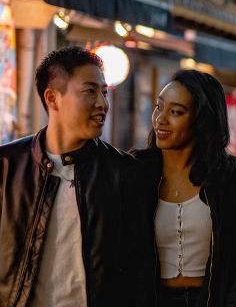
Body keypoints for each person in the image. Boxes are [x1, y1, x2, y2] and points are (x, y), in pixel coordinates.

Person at [0, 46, 150, 306]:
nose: (103, 104)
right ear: (52, 98)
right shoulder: (6, 166)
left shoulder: (123, 173)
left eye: (104, 92)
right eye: (89, 91)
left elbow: (138, 269)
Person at [132, 69, 236, 307]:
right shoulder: (136, 171)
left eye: (176, 112)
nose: (161, 119)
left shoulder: (232, 175)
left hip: (212, 300)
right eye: (158, 106)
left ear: (201, 119)